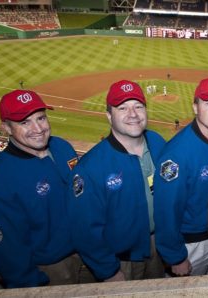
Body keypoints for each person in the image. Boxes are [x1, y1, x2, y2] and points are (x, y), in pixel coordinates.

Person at [0, 89, 80, 288]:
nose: (38, 128)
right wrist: (31, 288)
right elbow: (6, 252)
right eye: (24, 122)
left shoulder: (62, 147)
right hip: (52, 269)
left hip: (89, 252)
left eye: (41, 118)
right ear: (7, 127)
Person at [69, 80, 165, 282]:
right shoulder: (90, 167)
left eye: (138, 106)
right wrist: (108, 271)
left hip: (161, 244)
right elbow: (84, 230)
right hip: (122, 260)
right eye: (122, 108)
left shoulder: (157, 142)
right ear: (109, 116)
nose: (133, 114)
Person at [154, 77, 208, 276]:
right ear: (195, 107)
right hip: (192, 245)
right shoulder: (176, 155)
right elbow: (166, 212)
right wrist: (175, 256)